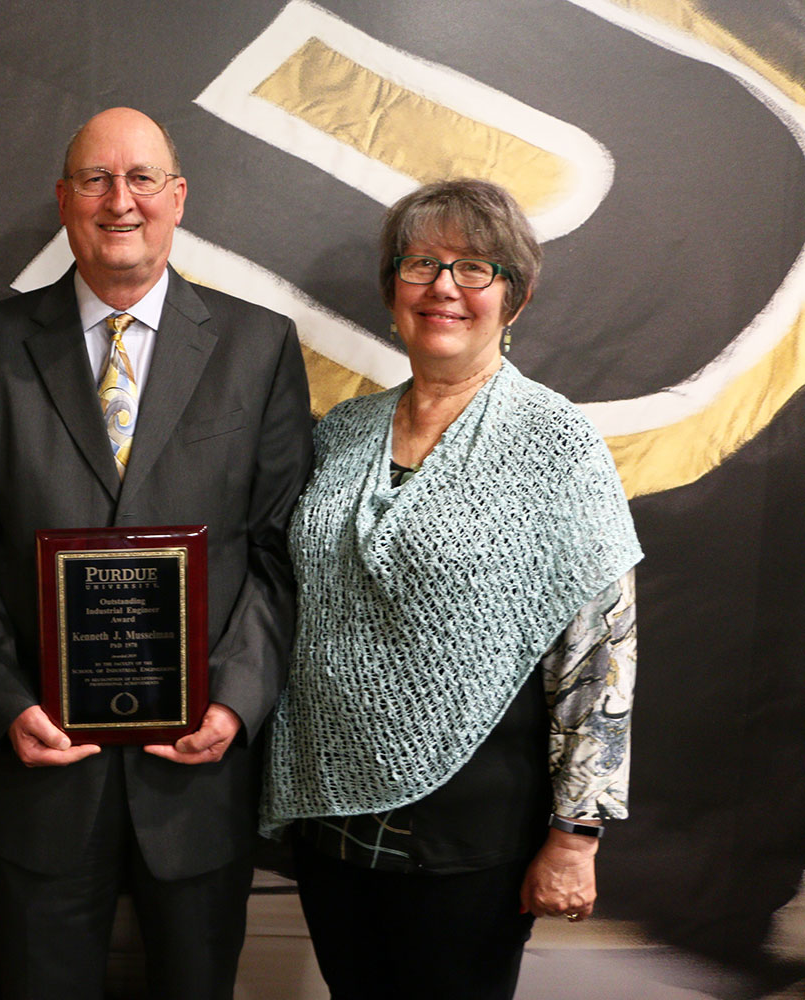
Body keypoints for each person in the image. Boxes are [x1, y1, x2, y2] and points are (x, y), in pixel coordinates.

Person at [0, 107, 311, 1000]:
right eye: (95, 180)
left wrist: (238, 703)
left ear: (177, 198)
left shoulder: (258, 347)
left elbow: (282, 552)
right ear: (63, 200)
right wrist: (6, 702)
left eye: (141, 180)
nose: (118, 200)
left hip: (199, 774)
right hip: (41, 773)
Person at [261, 178, 642, 999]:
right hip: (331, 814)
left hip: (472, 836)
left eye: (475, 268)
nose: (443, 287)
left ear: (516, 296)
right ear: (391, 289)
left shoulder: (558, 444)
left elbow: (600, 656)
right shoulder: (340, 433)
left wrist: (576, 836)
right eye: (421, 263)